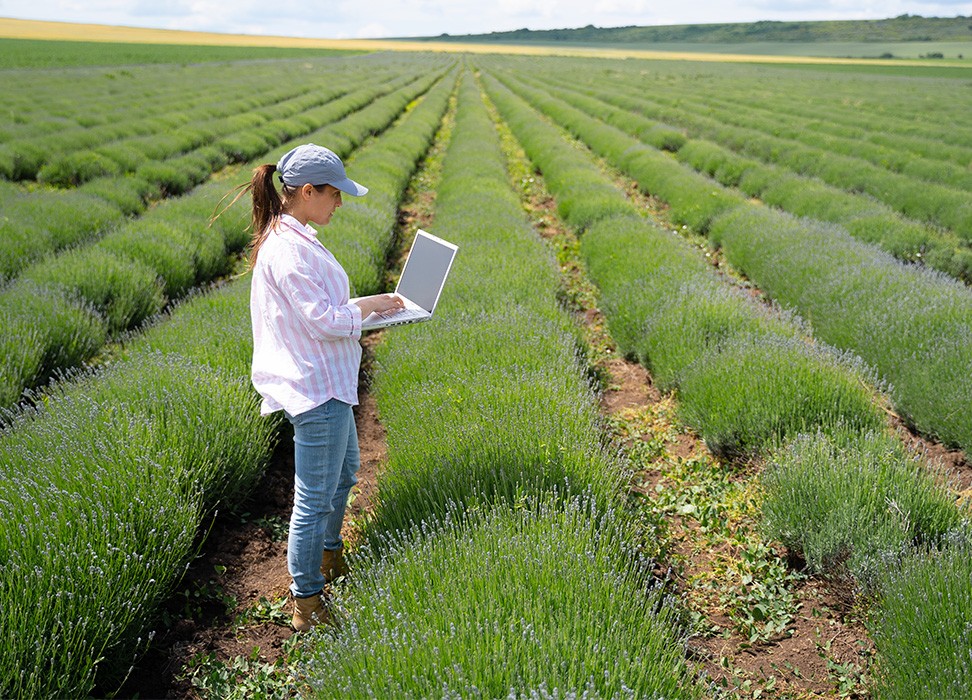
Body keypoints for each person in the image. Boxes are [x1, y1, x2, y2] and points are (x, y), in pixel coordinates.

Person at [245, 143, 403, 632]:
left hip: (328, 379)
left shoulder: (296, 235)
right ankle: (307, 601)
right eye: (334, 194)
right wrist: (370, 316)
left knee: (346, 473)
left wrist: (376, 300)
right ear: (307, 191)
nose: (339, 203)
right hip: (314, 388)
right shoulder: (288, 250)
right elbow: (325, 321)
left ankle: (330, 558)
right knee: (314, 496)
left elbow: (324, 307)